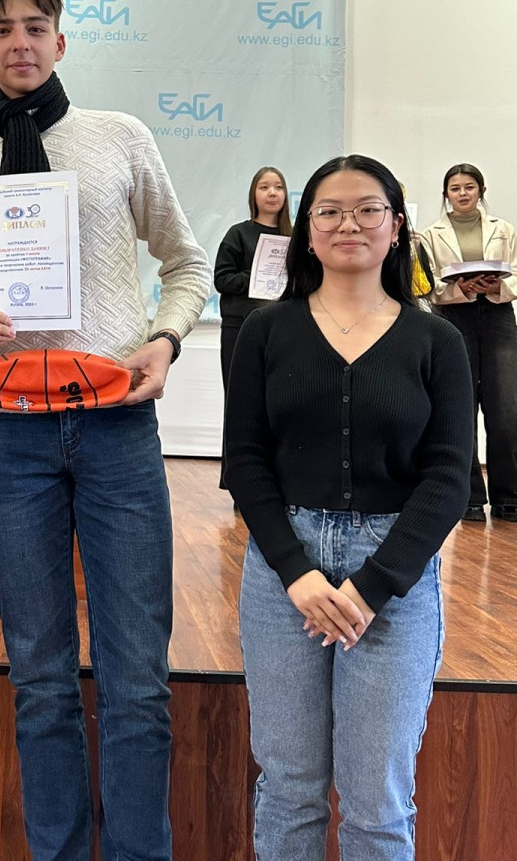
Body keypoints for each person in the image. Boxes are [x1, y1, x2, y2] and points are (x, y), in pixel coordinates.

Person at [0, 0, 210, 861]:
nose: (21, 42)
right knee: (40, 681)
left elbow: (187, 264)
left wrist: (165, 339)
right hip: (10, 436)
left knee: (139, 681)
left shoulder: (119, 138)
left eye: (35, 27)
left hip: (117, 425)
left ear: (60, 40)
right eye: (3, 30)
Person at [224, 154, 472, 861]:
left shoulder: (437, 341)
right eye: (329, 211)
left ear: (396, 226)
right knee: (289, 788)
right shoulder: (267, 331)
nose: (349, 224)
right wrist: (296, 571)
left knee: (377, 803)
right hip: (285, 577)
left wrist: (373, 585)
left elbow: (449, 477)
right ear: (306, 230)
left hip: (393, 577)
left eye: (368, 209)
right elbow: (244, 460)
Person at [420, 163, 517, 522]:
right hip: (453, 318)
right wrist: (459, 288)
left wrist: (496, 286)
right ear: (446, 194)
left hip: (498, 315)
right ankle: (470, 498)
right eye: (455, 188)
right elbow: (428, 284)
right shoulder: (430, 235)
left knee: (507, 408)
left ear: (481, 190)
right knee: (460, 406)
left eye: (469, 187)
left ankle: (509, 497)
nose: (462, 193)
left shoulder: (503, 229)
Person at [213, 166, 292, 482]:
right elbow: (222, 279)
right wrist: (258, 278)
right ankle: (238, 480)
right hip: (240, 328)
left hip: (285, 329)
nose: (272, 193)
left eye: (278, 187)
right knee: (240, 404)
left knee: (280, 405)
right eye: (264, 187)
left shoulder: (296, 237)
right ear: (253, 194)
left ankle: (276, 479)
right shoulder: (238, 234)